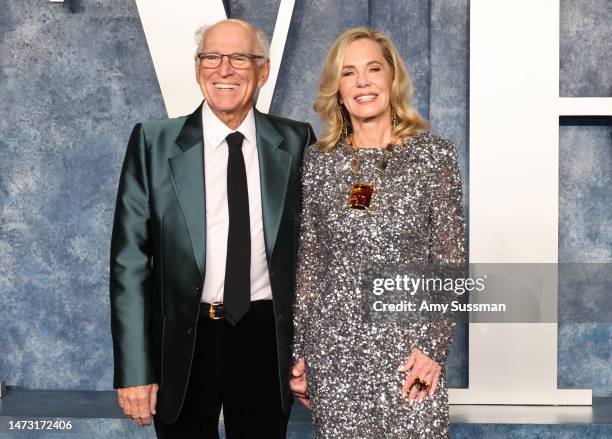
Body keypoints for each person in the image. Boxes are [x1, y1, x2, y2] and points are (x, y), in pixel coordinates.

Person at [110, 18, 315, 439]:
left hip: (264, 338)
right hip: (184, 341)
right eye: (212, 57)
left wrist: (313, 353)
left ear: (263, 70)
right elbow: (129, 263)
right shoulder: (153, 143)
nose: (224, 69)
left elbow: (314, 258)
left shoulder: (297, 143)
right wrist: (134, 369)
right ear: (197, 66)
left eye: (240, 57)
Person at [288, 27, 465, 438]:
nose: (362, 82)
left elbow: (449, 261)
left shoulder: (434, 156)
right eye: (349, 73)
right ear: (338, 87)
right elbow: (310, 263)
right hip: (332, 353)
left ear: (392, 78)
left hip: (411, 354)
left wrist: (434, 350)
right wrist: (300, 353)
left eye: (373, 69)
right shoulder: (318, 161)